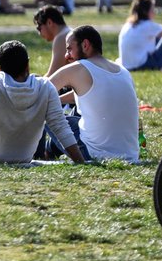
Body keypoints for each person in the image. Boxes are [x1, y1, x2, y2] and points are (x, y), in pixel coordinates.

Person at [46, 26, 140, 162]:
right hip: (130, 155)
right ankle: (49, 151)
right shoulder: (122, 71)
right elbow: (91, 95)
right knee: (74, 116)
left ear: (85, 45)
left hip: (94, 154)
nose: (66, 56)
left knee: (48, 111)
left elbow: (40, 92)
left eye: (69, 49)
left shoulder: (77, 69)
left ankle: (41, 151)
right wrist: (59, 99)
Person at [118, 0, 162, 72]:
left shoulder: (128, 25)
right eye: (152, 9)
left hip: (127, 66)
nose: (155, 12)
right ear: (146, 11)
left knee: (159, 37)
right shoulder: (147, 25)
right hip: (143, 66)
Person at [33, 5, 73, 77]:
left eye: (39, 28)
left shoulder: (62, 38)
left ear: (49, 22)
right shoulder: (69, 32)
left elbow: (52, 76)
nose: (39, 33)